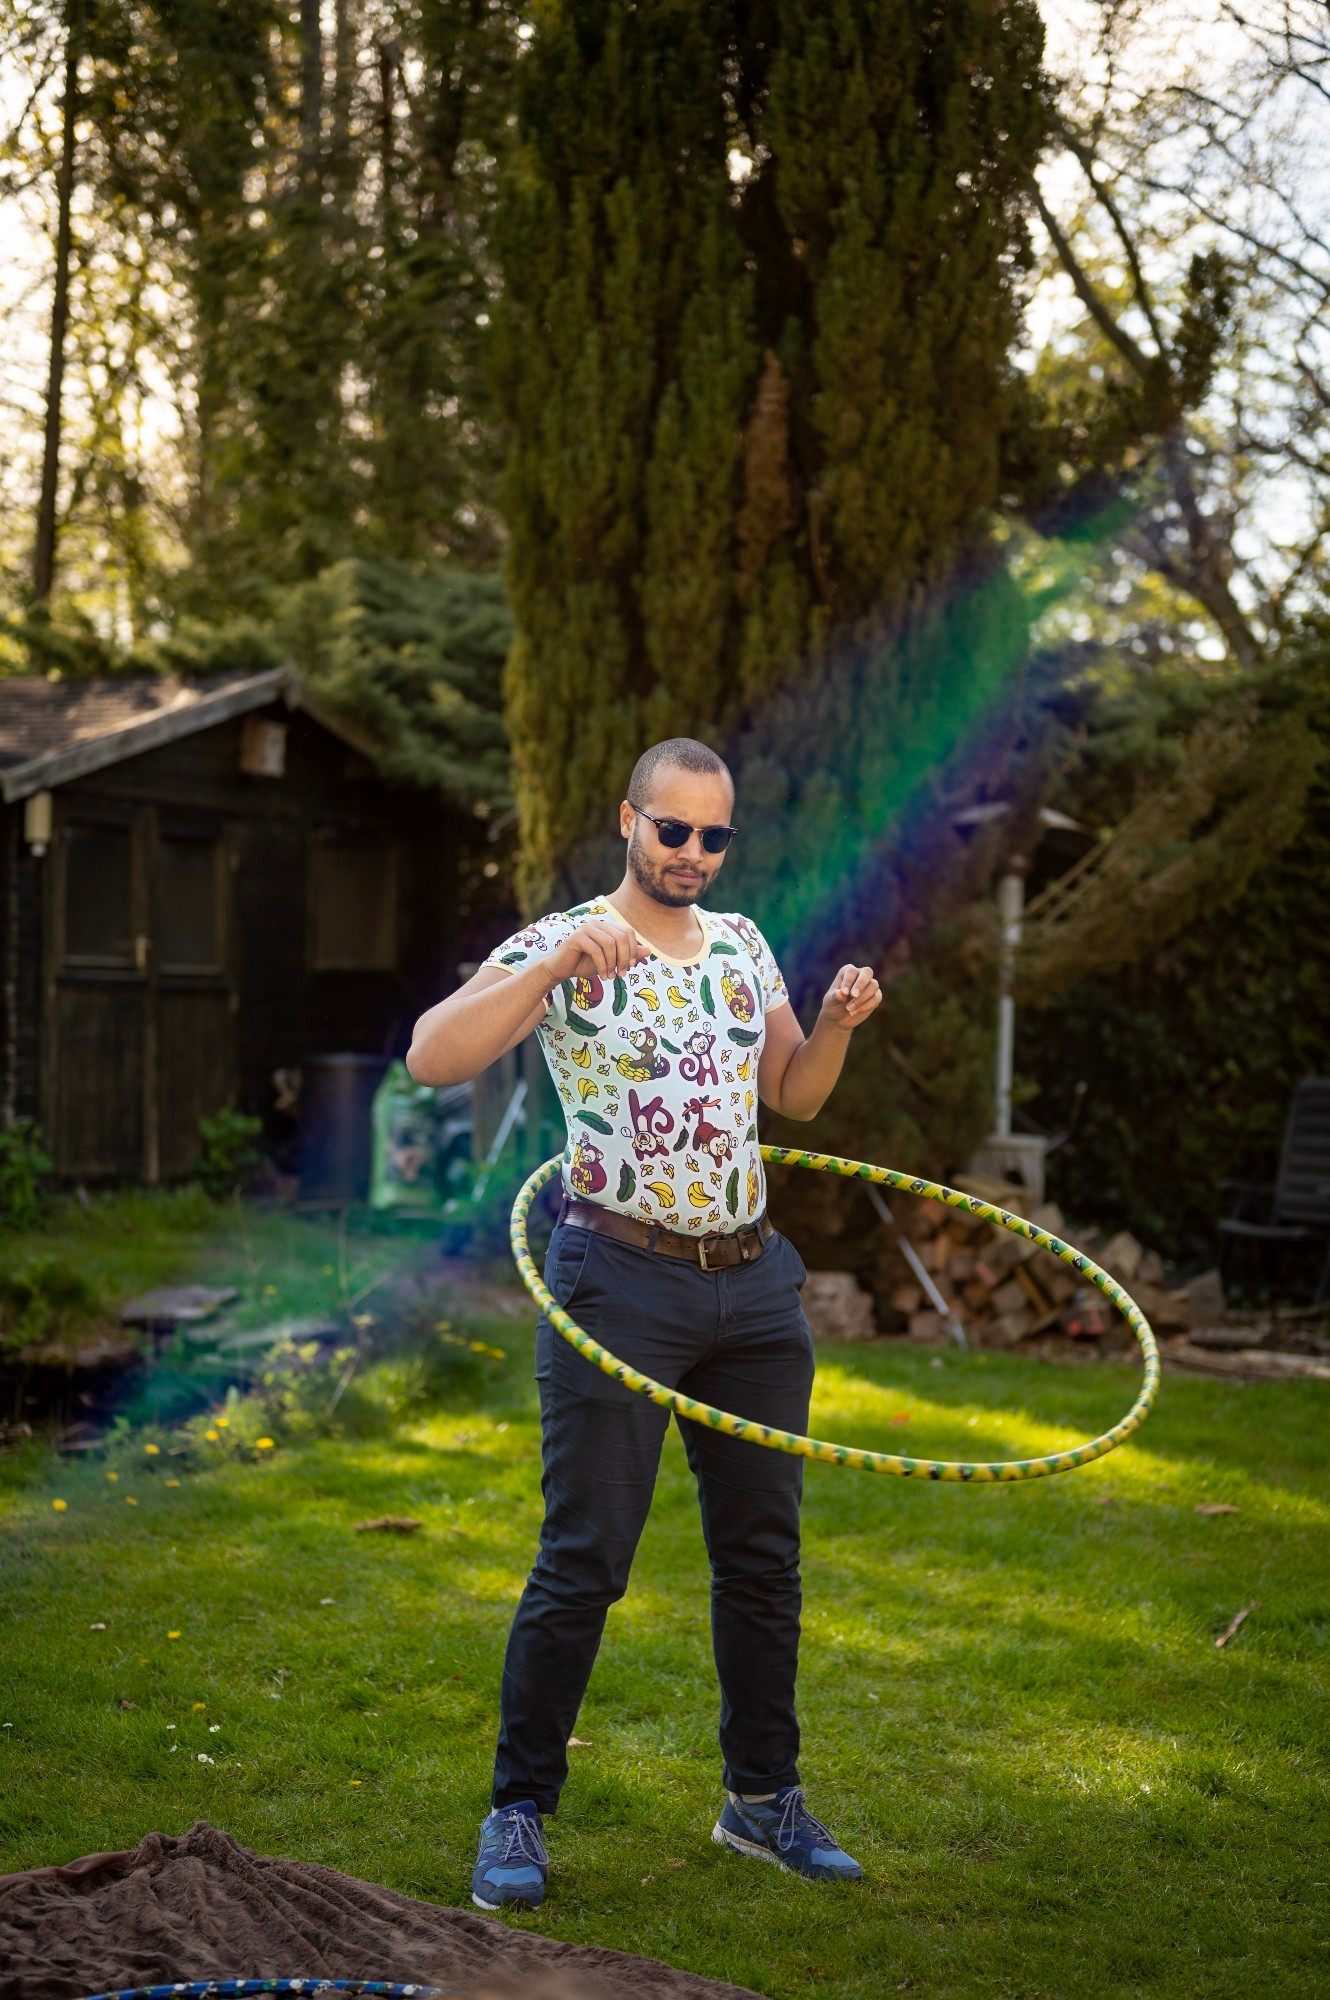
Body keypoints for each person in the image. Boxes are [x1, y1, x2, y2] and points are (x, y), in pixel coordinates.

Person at [407, 738, 882, 1909]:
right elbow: (431, 1053)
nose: (692, 853)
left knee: (764, 1560)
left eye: (714, 835)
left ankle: (761, 1798)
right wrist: (558, 960)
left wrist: (834, 1023)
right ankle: (517, 1809)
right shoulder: (569, 938)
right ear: (628, 818)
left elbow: (795, 1093)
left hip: (755, 1286)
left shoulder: (742, 942)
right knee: (584, 1561)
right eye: (672, 829)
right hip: (619, 1279)